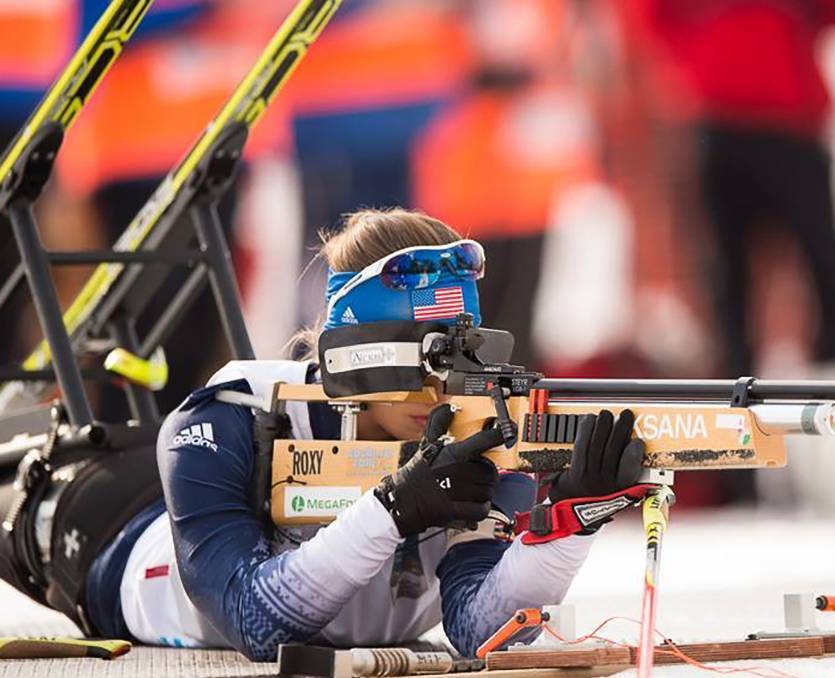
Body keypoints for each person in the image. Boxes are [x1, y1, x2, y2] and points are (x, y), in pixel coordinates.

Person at [0, 208, 649, 661]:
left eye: (463, 359)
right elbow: (257, 622)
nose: (443, 388)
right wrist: (395, 509)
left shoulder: (483, 429)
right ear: (355, 357)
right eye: (424, 362)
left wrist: (567, 526)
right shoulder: (228, 415)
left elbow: (481, 630)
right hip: (101, 530)